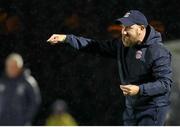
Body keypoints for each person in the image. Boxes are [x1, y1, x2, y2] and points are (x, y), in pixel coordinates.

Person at [47, 10, 172, 125]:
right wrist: (67, 38)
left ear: (141, 29)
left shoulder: (158, 51)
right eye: (122, 27)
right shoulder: (123, 45)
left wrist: (139, 89)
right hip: (131, 109)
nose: (123, 32)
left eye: (128, 28)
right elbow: (96, 46)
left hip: (152, 110)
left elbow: (165, 84)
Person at [0, 53, 41, 125]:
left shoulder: (28, 81)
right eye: (9, 66)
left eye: (14, 67)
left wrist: (25, 118)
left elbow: (35, 102)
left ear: (19, 67)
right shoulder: (2, 81)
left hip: (21, 123)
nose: (11, 69)